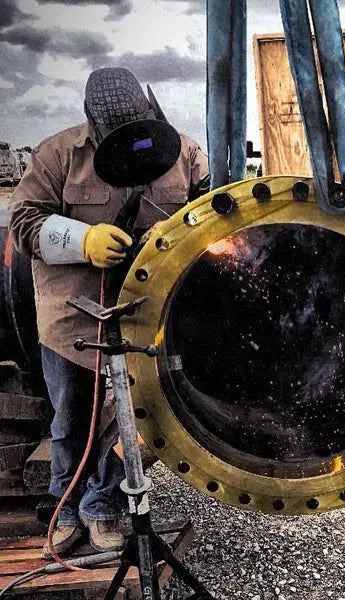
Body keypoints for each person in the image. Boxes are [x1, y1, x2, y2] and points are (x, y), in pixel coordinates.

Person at [9, 67, 209, 558]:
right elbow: (23, 222)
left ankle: (103, 504)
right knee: (71, 421)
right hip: (72, 320)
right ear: (91, 122)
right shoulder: (58, 155)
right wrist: (83, 240)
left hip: (151, 320)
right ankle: (66, 505)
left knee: (147, 423)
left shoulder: (183, 153)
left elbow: (210, 215)